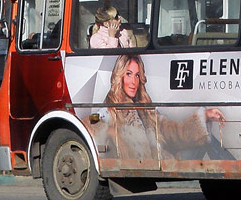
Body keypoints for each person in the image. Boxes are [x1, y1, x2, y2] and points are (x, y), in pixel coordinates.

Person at [89, 54, 225, 162]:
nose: (134, 82)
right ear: (120, 76)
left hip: (164, 159)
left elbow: (171, 129)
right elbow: (94, 126)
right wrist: (113, 133)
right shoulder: (110, 111)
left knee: (207, 137)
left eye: (137, 75)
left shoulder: (145, 108)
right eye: (129, 74)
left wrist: (204, 116)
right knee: (209, 142)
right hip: (144, 163)